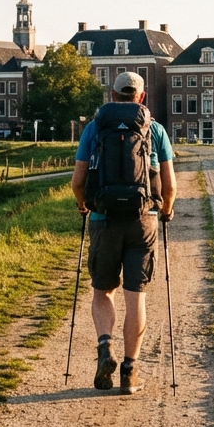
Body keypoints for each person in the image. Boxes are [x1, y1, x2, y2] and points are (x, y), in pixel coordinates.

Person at [70, 71, 176, 395]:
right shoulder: (155, 130)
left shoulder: (94, 128)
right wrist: (167, 210)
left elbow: (77, 181)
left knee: (103, 292)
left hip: (103, 219)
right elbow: (169, 186)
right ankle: (130, 373)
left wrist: (83, 205)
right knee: (136, 297)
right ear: (141, 98)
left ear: (112, 96)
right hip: (142, 220)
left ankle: (105, 348)